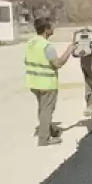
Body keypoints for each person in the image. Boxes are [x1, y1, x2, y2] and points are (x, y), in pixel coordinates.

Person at [25, 17, 75, 146]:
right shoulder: (47, 46)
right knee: (47, 110)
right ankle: (44, 139)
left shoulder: (31, 43)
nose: (54, 29)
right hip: (47, 83)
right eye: (52, 27)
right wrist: (69, 50)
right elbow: (57, 64)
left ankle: (48, 129)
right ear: (46, 30)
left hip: (34, 82)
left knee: (42, 109)